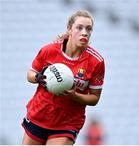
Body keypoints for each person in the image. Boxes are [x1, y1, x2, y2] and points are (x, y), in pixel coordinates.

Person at [21, 10, 105, 145]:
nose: (84, 32)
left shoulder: (96, 61)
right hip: (39, 115)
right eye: (79, 27)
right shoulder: (49, 50)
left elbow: (94, 98)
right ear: (69, 29)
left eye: (89, 29)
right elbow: (30, 74)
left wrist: (74, 96)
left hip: (67, 123)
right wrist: (38, 77)